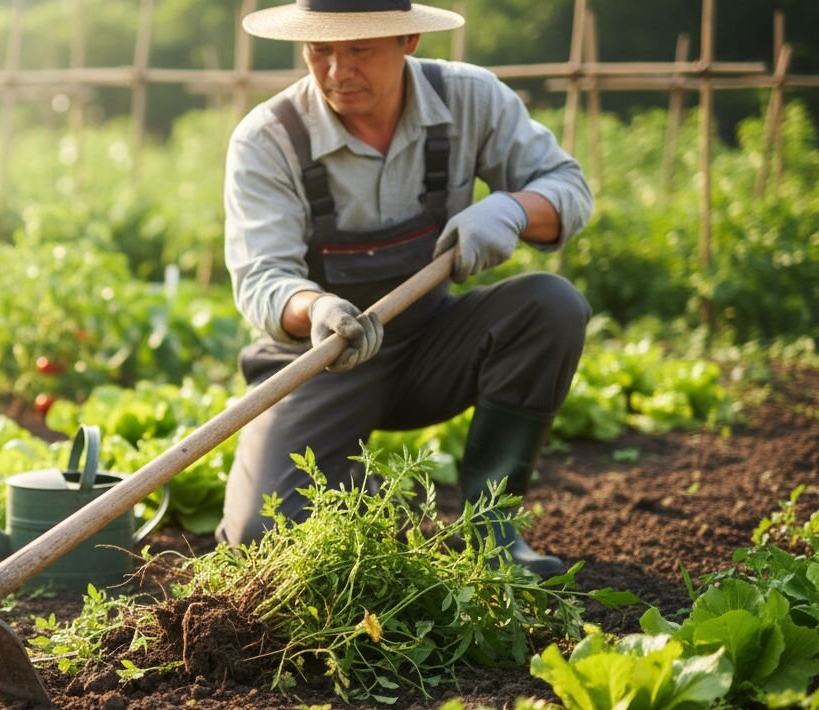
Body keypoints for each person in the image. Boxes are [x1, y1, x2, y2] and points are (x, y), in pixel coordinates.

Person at [217, 0, 593, 577]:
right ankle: (362, 501)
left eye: (360, 50)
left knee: (551, 306)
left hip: (430, 346)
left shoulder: (471, 99)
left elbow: (569, 187)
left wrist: (514, 209)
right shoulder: (269, 139)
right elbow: (261, 278)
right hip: (321, 360)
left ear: (409, 38)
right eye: (321, 51)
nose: (338, 72)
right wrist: (315, 307)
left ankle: (493, 532)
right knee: (260, 538)